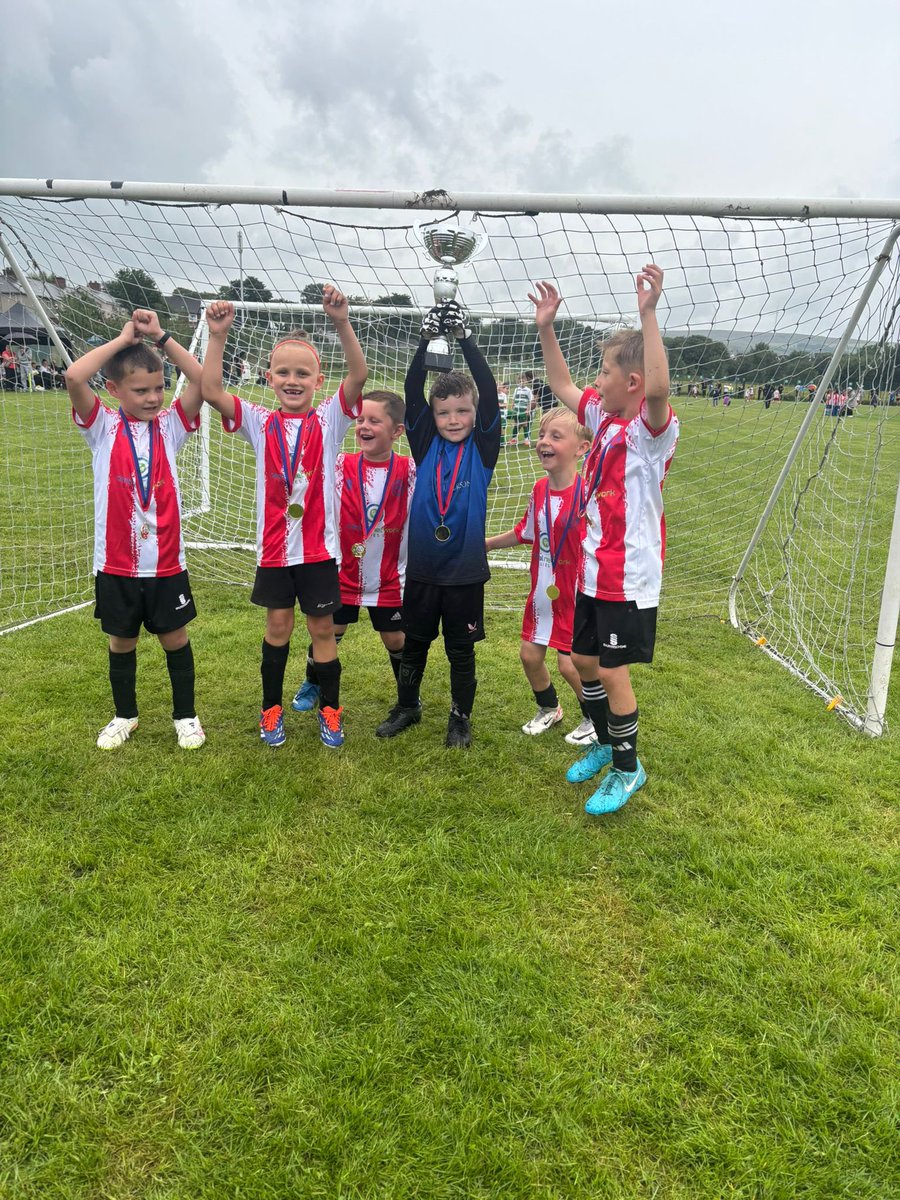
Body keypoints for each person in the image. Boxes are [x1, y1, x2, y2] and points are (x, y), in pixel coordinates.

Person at [529, 266, 678, 814]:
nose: (597, 380)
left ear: (631, 382)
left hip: (628, 577)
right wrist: (548, 328)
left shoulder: (648, 431)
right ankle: (605, 741)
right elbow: (564, 385)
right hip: (592, 572)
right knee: (584, 662)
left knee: (612, 670)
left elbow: (658, 388)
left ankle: (627, 769)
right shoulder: (604, 417)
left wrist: (648, 314)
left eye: (606, 370)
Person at [200, 288, 368, 749]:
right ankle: (270, 708)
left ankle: (330, 711)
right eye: (284, 373)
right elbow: (211, 390)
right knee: (277, 627)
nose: (293, 381)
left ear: (318, 380)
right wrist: (218, 336)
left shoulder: (330, 420)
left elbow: (360, 374)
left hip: (318, 552)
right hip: (275, 551)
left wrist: (341, 323)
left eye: (303, 374)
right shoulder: (257, 419)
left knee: (321, 629)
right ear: (270, 378)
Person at [64, 309, 206, 751]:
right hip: (116, 563)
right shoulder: (102, 426)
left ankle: (186, 715)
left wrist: (162, 337)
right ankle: (125, 715)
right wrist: (123, 339)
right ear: (113, 390)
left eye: (159, 388)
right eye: (140, 390)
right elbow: (73, 376)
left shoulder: (171, 426)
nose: (153, 398)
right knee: (121, 641)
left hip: (165, 563)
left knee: (175, 638)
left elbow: (202, 381)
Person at [375, 299, 501, 748]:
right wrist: (426, 339)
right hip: (425, 569)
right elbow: (412, 391)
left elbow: (482, 384)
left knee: (460, 650)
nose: (454, 420)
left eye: (463, 412)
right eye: (444, 412)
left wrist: (465, 338)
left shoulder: (484, 449)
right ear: (432, 417)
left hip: (465, 572)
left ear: (476, 413)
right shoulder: (425, 443)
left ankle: (459, 717)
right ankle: (407, 706)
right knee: (416, 642)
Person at [292, 389, 415, 711]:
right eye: (360, 419)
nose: (364, 426)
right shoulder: (339, 464)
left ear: (397, 431)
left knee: (395, 638)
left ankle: (408, 696)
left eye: (375, 420)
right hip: (341, 571)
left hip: (388, 575)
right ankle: (312, 682)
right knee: (330, 630)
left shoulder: (410, 470)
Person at [486, 406, 596, 746]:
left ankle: (595, 716)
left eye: (556, 436)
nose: (543, 442)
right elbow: (525, 532)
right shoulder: (538, 490)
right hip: (543, 593)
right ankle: (549, 707)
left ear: (582, 448)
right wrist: (486, 545)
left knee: (570, 666)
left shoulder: (588, 494)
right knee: (530, 656)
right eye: (542, 435)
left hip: (575, 594)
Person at [508, 373, 535, 445]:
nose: (521, 383)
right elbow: (514, 399)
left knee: (524, 424)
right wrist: (512, 407)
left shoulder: (528, 390)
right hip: (517, 410)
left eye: (523, 381)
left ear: (526, 382)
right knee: (516, 424)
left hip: (524, 410)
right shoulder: (516, 389)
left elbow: (530, 401)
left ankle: (526, 440)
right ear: (518, 382)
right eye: (520, 381)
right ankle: (514, 439)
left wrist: (528, 409)